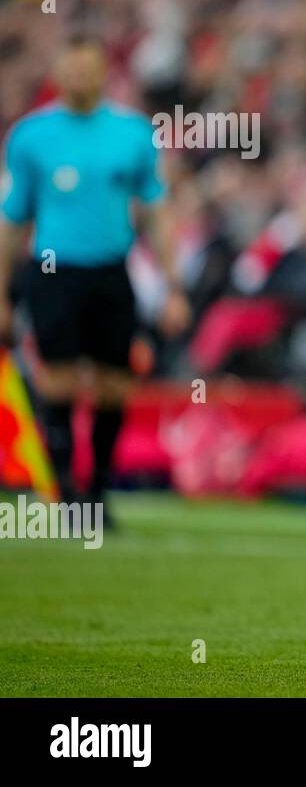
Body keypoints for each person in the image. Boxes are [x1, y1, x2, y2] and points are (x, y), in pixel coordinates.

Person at [0, 35, 191, 525]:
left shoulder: (132, 134)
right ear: (58, 72)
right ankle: (64, 493)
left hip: (111, 271)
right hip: (53, 272)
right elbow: (13, 218)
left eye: (89, 68)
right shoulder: (30, 137)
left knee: (114, 385)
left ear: (105, 71)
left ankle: (98, 490)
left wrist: (172, 286)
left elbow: (157, 211)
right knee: (58, 380)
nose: (80, 77)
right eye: (72, 68)